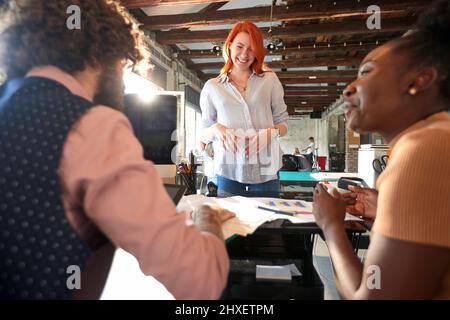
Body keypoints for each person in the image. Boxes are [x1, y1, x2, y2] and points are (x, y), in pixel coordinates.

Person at [0, 0, 234, 300]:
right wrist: (208, 218)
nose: (122, 86)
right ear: (100, 53)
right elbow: (200, 281)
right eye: (124, 67)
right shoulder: (92, 126)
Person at [312, 0, 450, 299]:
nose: (349, 88)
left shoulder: (425, 147)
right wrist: (388, 210)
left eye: (366, 72)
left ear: (419, 80)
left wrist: (331, 226)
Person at [199, 21, 289, 198]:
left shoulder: (269, 80)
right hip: (228, 172)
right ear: (230, 46)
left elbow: (283, 122)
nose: (244, 54)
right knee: (230, 225)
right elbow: (202, 135)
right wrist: (215, 128)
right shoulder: (213, 87)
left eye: (251, 48)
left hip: (266, 171)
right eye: (240, 46)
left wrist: (270, 133)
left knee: (268, 224)